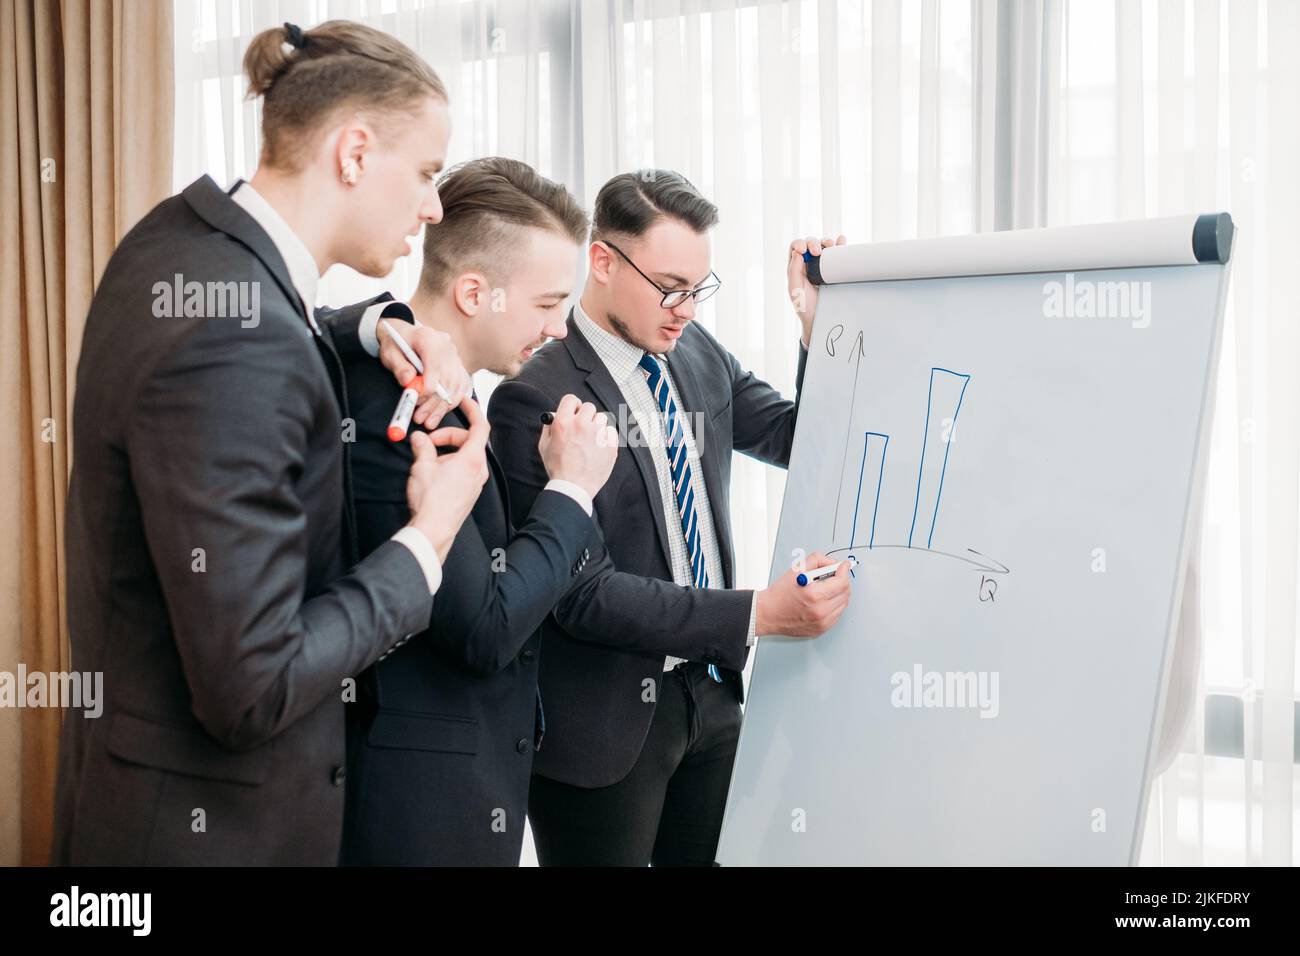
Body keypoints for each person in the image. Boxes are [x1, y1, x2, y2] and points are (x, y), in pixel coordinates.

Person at [52, 20, 486, 865]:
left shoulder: (180, 243)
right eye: (428, 174)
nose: (435, 208)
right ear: (354, 152)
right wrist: (427, 541)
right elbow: (252, 687)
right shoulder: (237, 338)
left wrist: (374, 327)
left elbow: (269, 325)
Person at [488, 169, 852, 866]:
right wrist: (758, 614)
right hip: (602, 727)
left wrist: (819, 330)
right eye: (669, 286)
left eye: (697, 289)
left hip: (711, 701)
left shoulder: (697, 353)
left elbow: (796, 439)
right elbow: (580, 596)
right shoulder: (535, 393)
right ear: (601, 260)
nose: (685, 309)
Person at [336, 157, 618, 865]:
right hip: (412, 812)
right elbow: (485, 628)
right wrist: (572, 488)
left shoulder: (454, 397)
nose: (560, 327)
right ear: (473, 293)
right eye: (549, 302)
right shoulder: (405, 412)